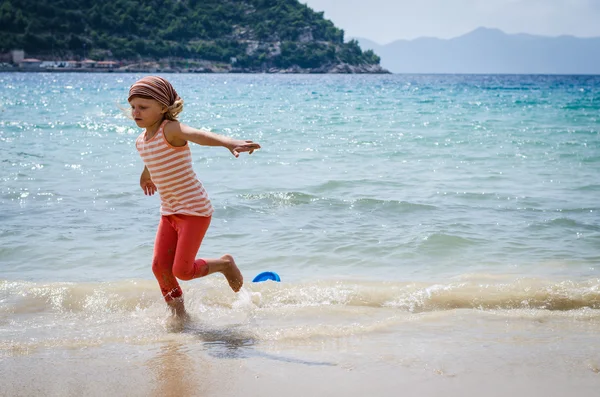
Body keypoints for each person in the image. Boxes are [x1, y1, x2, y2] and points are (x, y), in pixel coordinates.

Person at [128, 76, 260, 318]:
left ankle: (224, 264)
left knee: (183, 271)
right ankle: (180, 316)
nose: (136, 112)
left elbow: (198, 135)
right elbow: (152, 158)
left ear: (163, 108)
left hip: (194, 211)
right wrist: (146, 175)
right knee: (160, 268)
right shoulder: (141, 140)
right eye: (133, 106)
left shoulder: (171, 129)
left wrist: (228, 143)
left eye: (143, 107)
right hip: (169, 212)